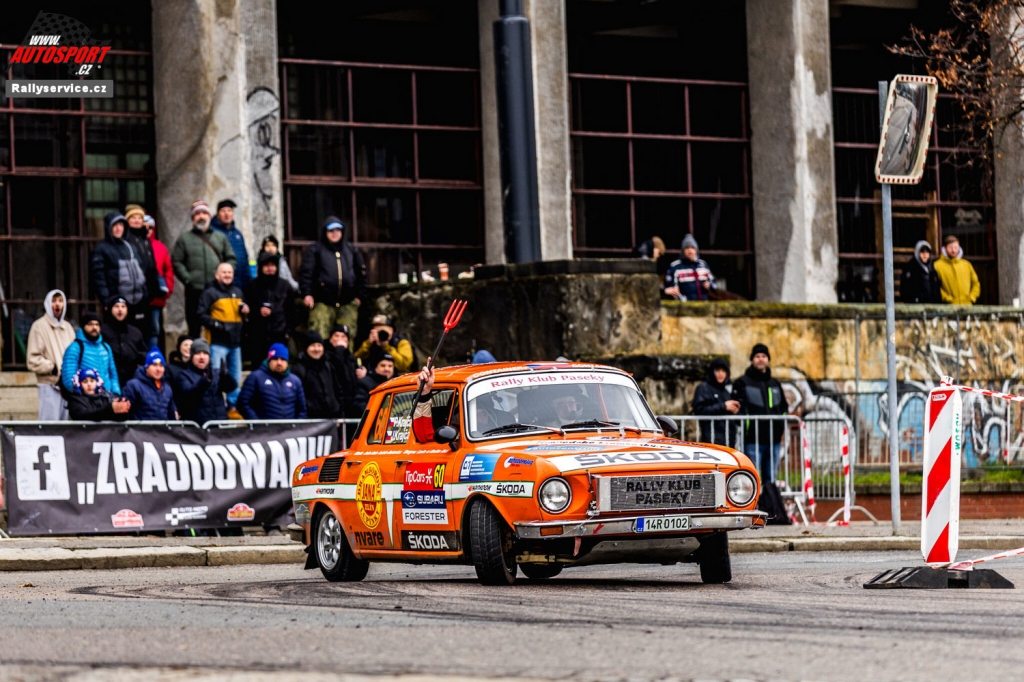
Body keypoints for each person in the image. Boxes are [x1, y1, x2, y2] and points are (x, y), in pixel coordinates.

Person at [172, 200, 237, 336]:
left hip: (217, 291)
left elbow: (231, 258)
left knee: (217, 325)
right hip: (194, 290)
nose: (201, 216)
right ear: (193, 218)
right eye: (197, 214)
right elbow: (176, 261)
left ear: (209, 216)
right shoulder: (184, 239)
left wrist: (225, 274)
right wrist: (188, 279)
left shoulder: (220, 237)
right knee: (194, 326)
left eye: (204, 213)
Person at [298, 216, 366, 340]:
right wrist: (307, 294)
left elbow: (361, 274)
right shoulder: (315, 250)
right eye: (331, 230)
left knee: (347, 339)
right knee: (319, 337)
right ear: (325, 232)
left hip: (347, 303)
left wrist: (358, 297)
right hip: (322, 302)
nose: (335, 233)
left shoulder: (351, 250)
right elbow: (306, 274)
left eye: (338, 230)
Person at [732, 343, 789, 484]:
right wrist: (746, 426)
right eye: (757, 356)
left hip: (774, 439)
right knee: (752, 479)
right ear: (752, 359)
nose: (761, 359)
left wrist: (780, 427)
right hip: (752, 440)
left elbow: (783, 407)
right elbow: (736, 409)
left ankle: (769, 499)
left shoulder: (775, 383)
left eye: (764, 356)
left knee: (771, 479)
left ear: (768, 359)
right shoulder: (742, 382)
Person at [198, 262, 247, 410]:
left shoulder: (238, 292)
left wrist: (245, 312)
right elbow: (201, 315)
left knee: (235, 378)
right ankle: (215, 405)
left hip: (235, 343)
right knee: (215, 376)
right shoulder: (209, 293)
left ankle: (232, 407)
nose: (227, 275)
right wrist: (219, 325)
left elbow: (242, 318)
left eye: (230, 272)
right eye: (224, 272)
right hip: (217, 342)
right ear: (217, 275)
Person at [26, 289, 76, 420]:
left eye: (60, 301)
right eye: (54, 301)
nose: (57, 304)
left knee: (65, 425)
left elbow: (74, 355)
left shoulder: (68, 328)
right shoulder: (39, 326)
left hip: (67, 386)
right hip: (49, 385)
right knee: (49, 424)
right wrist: (52, 368)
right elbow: (32, 359)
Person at [91, 212, 147, 321]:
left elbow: (141, 271)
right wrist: (106, 300)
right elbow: (99, 278)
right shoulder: (101, 249)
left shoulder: (130, 247)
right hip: (115, 303)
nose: (118, 228)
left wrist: (145, 295)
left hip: (136, 302)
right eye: (115, 225)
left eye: (121, 225)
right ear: (108, 228)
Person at [243, 251, 295, 363]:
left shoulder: (285, 286)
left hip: (279, 334)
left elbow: (292, 311)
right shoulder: (252, 286)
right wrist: (258, 311)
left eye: (272, 265)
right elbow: (246, 308)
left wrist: (288, 332)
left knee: (278, 365)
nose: (270, 268)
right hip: (257, 335)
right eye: (266, 265)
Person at [173, 338, 237, 423]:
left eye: (205, 353)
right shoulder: (183, 375)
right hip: (197, 427)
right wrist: (205, 381)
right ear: (191, 356)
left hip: (219, 425)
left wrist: (226, 376)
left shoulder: (216, 373)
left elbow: (231, 387)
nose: (202, 357)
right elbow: (188, 396)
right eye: (198, 353)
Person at [237, 343, 307, 420]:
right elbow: (243, 403)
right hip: (264, 427)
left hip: (290, 427)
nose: (279, 362)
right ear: (269, 360)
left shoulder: (295, 381)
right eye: (275, 359)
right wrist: (257, 423)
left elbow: (302, 409)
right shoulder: (255, 377)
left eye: (283, 359)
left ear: (287, 362)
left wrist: (297, 425)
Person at [61, 311, 121, 396]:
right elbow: (68, 377)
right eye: (90, 324)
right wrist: (80, 395)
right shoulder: (75, 347)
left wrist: (116, 392)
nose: (94, 327)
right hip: (85, 399)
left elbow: (113, 374)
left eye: (97, 324)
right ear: (83, 326)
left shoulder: (106, 347)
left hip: (107, 397)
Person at [123, 204, 161, 338]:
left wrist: (155, 286)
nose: (137, 221)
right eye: (133, 218)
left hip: (147, 291)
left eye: (139, 218)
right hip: (133, 290)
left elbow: (152, 263)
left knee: (147, 329)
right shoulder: (126, 239)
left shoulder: (144, 239)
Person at [292, 332, 344, 418]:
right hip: (311, 421)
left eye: (319, 345)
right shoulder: (298, 369)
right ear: (306, 348)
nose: (316, 349)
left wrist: (340, 413)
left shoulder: (328, 366)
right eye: (312, 345)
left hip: (333, 419)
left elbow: (338, 391)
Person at [101, 297, 148, 392]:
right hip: (109, 378)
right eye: (116, 306)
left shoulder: (135, 332)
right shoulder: (103, 331)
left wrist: (136, 357)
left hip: (132, 378)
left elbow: (144, 352)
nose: (120, 309)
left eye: (123, 306)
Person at [692, 358, 741, 446]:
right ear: (712, 372)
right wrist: (724, 406)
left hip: (729, 440)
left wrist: (735, 410)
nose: (720, 374)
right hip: (712, 440)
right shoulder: (703, 388)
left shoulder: (727, 390)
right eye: (717, 370)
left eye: (723, 371)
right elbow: (700, 409)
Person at [144, 214, 174, 350]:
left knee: (154, 330)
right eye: (144, 227)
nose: (147, 230)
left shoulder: (160, 247)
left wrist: (167, 289)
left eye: (150, 227)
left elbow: (168, 270)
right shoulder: (133, 244)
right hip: (137, 297)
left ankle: (152, 356)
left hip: (156, 298)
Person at [123, 348, 178, 421]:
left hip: (162, 428)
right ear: (146, 367)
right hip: (139, 428)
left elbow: (172, 417)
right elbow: (124, 413)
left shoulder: (167, 389)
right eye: (154, 365)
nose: (158, 369)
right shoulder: (133, 385)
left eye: (161, 366)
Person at [327, 324, 368, 417]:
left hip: (352, 404)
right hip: (336, 404)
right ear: (330, 339)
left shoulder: (352, 358)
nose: (340, 339)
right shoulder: (326, 356)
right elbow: (337, 368)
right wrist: (339, 349)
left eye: (343, 336)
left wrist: (364, 373)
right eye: (336, 336)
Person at [211, 199, 252, 291]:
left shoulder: (238, 234)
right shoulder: (213, 232)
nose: (227, 214)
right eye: (223, 211)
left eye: (229, 211)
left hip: (241, 282)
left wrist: (248, 279)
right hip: (224, 282)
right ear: (218, 214)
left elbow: (244, 258)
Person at [664, 234, 716, 301]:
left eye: (692, 248)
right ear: (683, 250)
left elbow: (714, 284)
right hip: (685, 305)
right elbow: (672, 290)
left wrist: (709, 285)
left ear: (696, 250)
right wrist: (684, 302)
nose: (690, 250)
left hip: (704, 304)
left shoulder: (703, 265)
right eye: (687, 248)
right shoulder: (675, 267)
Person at [66, 368, 131, 422]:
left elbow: (117, 418)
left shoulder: (106, 397)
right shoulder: (75, 400)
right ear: (79, 384)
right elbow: (84, 416)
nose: (89, 384)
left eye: (92, 381)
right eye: (85, 381)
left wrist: (122, 411)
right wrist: (110, 409)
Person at [934, 234, 981, 305]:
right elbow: (935, 287)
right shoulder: (937, 266)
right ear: (945, 248)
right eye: (950, 247)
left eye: (956, 247)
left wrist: (972, 298)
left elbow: (976, 284)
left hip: (967, 306)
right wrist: (947, 299)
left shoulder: (967, 265)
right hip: (949, 307)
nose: (953, 250)